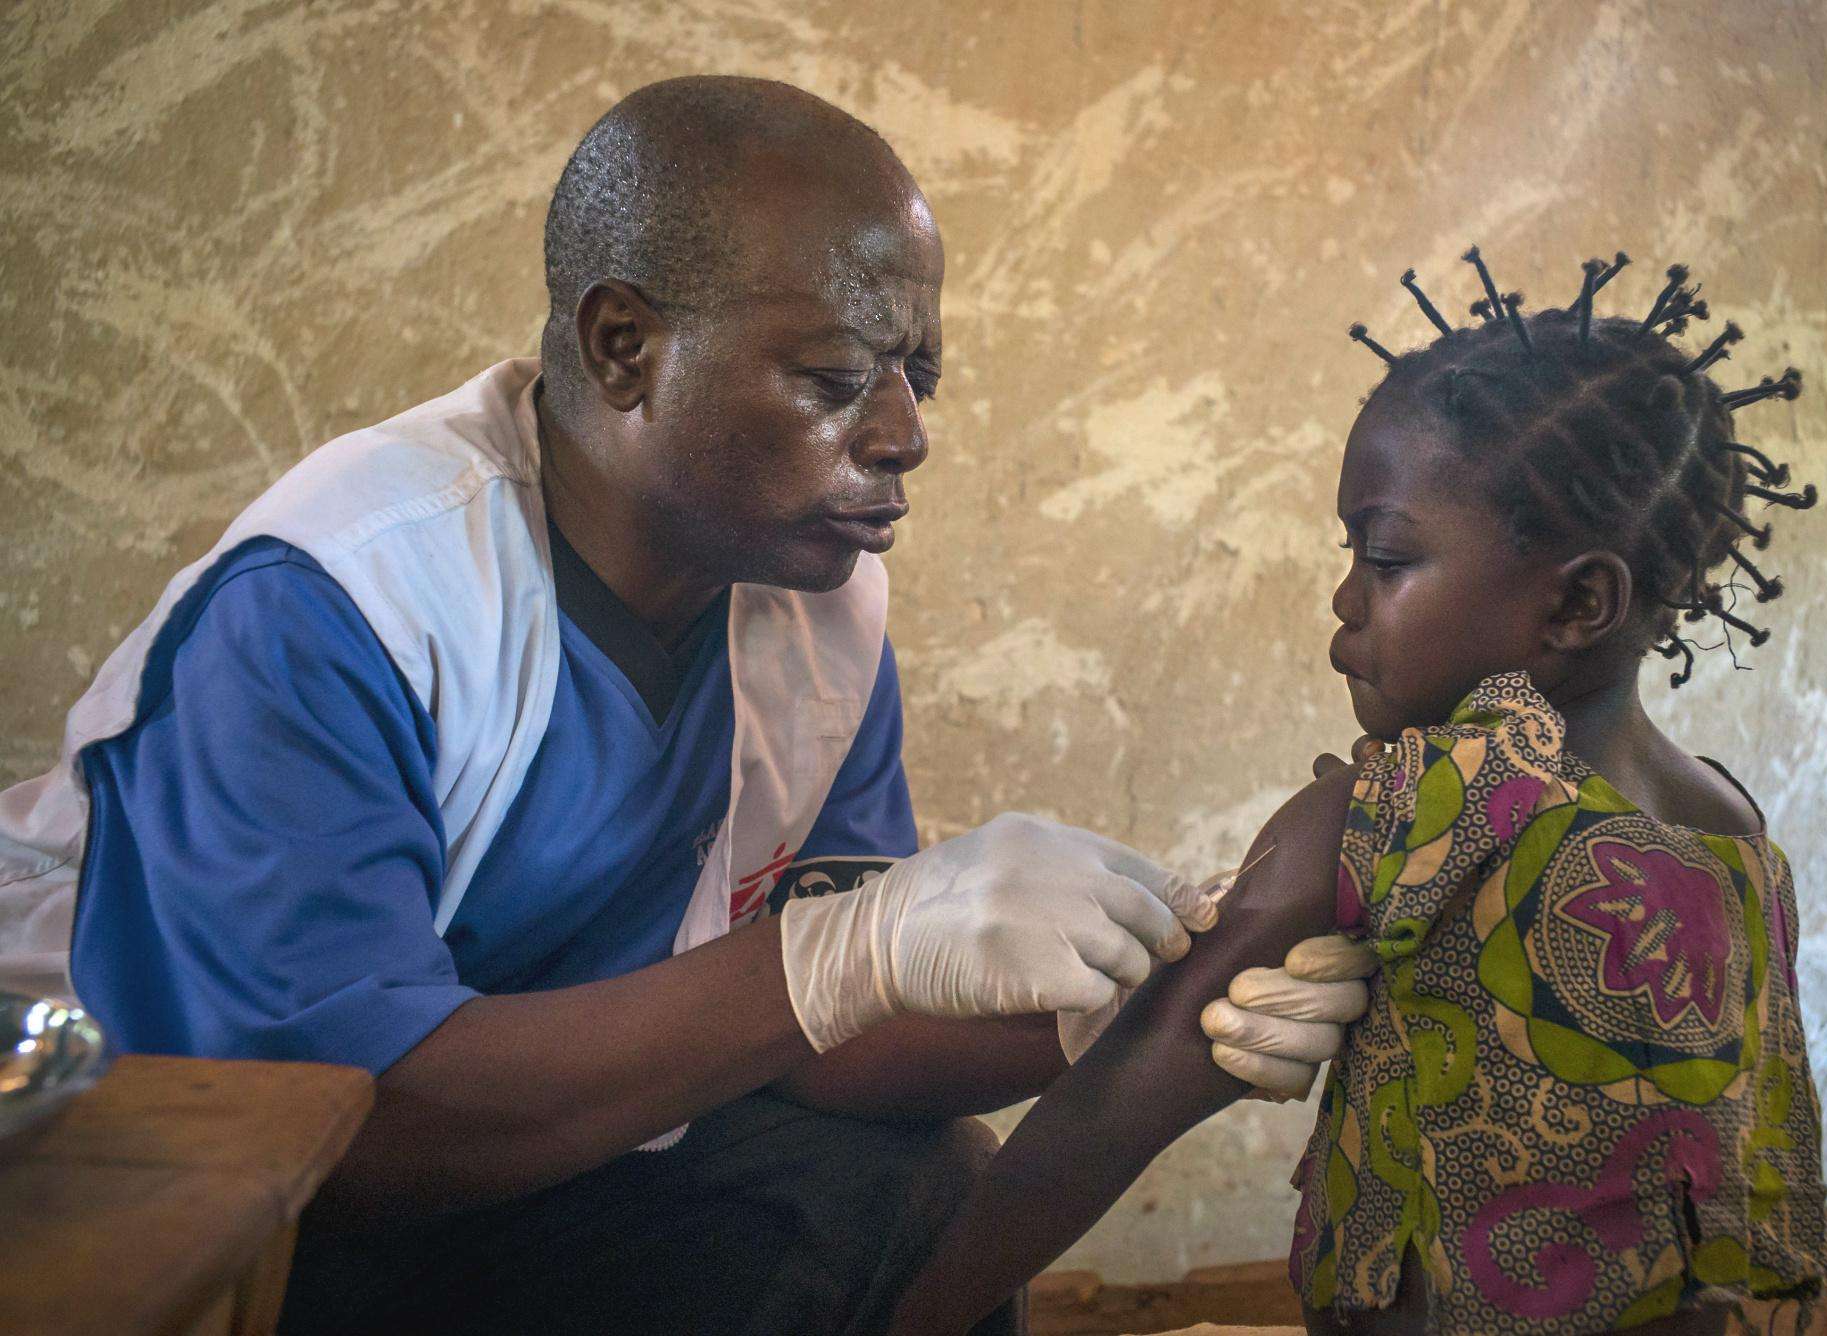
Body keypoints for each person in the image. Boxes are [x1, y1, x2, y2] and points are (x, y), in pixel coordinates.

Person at [0, 78, 1368, 1334]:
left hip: (519, 1157)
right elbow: (345, 1138)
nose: (904, 435)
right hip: (166, 1209)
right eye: (836, 380)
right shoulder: (332, 608)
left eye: (916, 376)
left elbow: (800, 1048)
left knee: (909, 1191)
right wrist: (852, 950)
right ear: (623, 347)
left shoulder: (809, 608)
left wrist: (1109, 1005)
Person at [886, 250, 1827, 1335]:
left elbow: (1115, 1106)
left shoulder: (1422, 804)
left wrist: (912, 1317)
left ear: (1575, 603)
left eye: (1383, 558)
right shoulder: (1735, 830)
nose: (1343, 598)